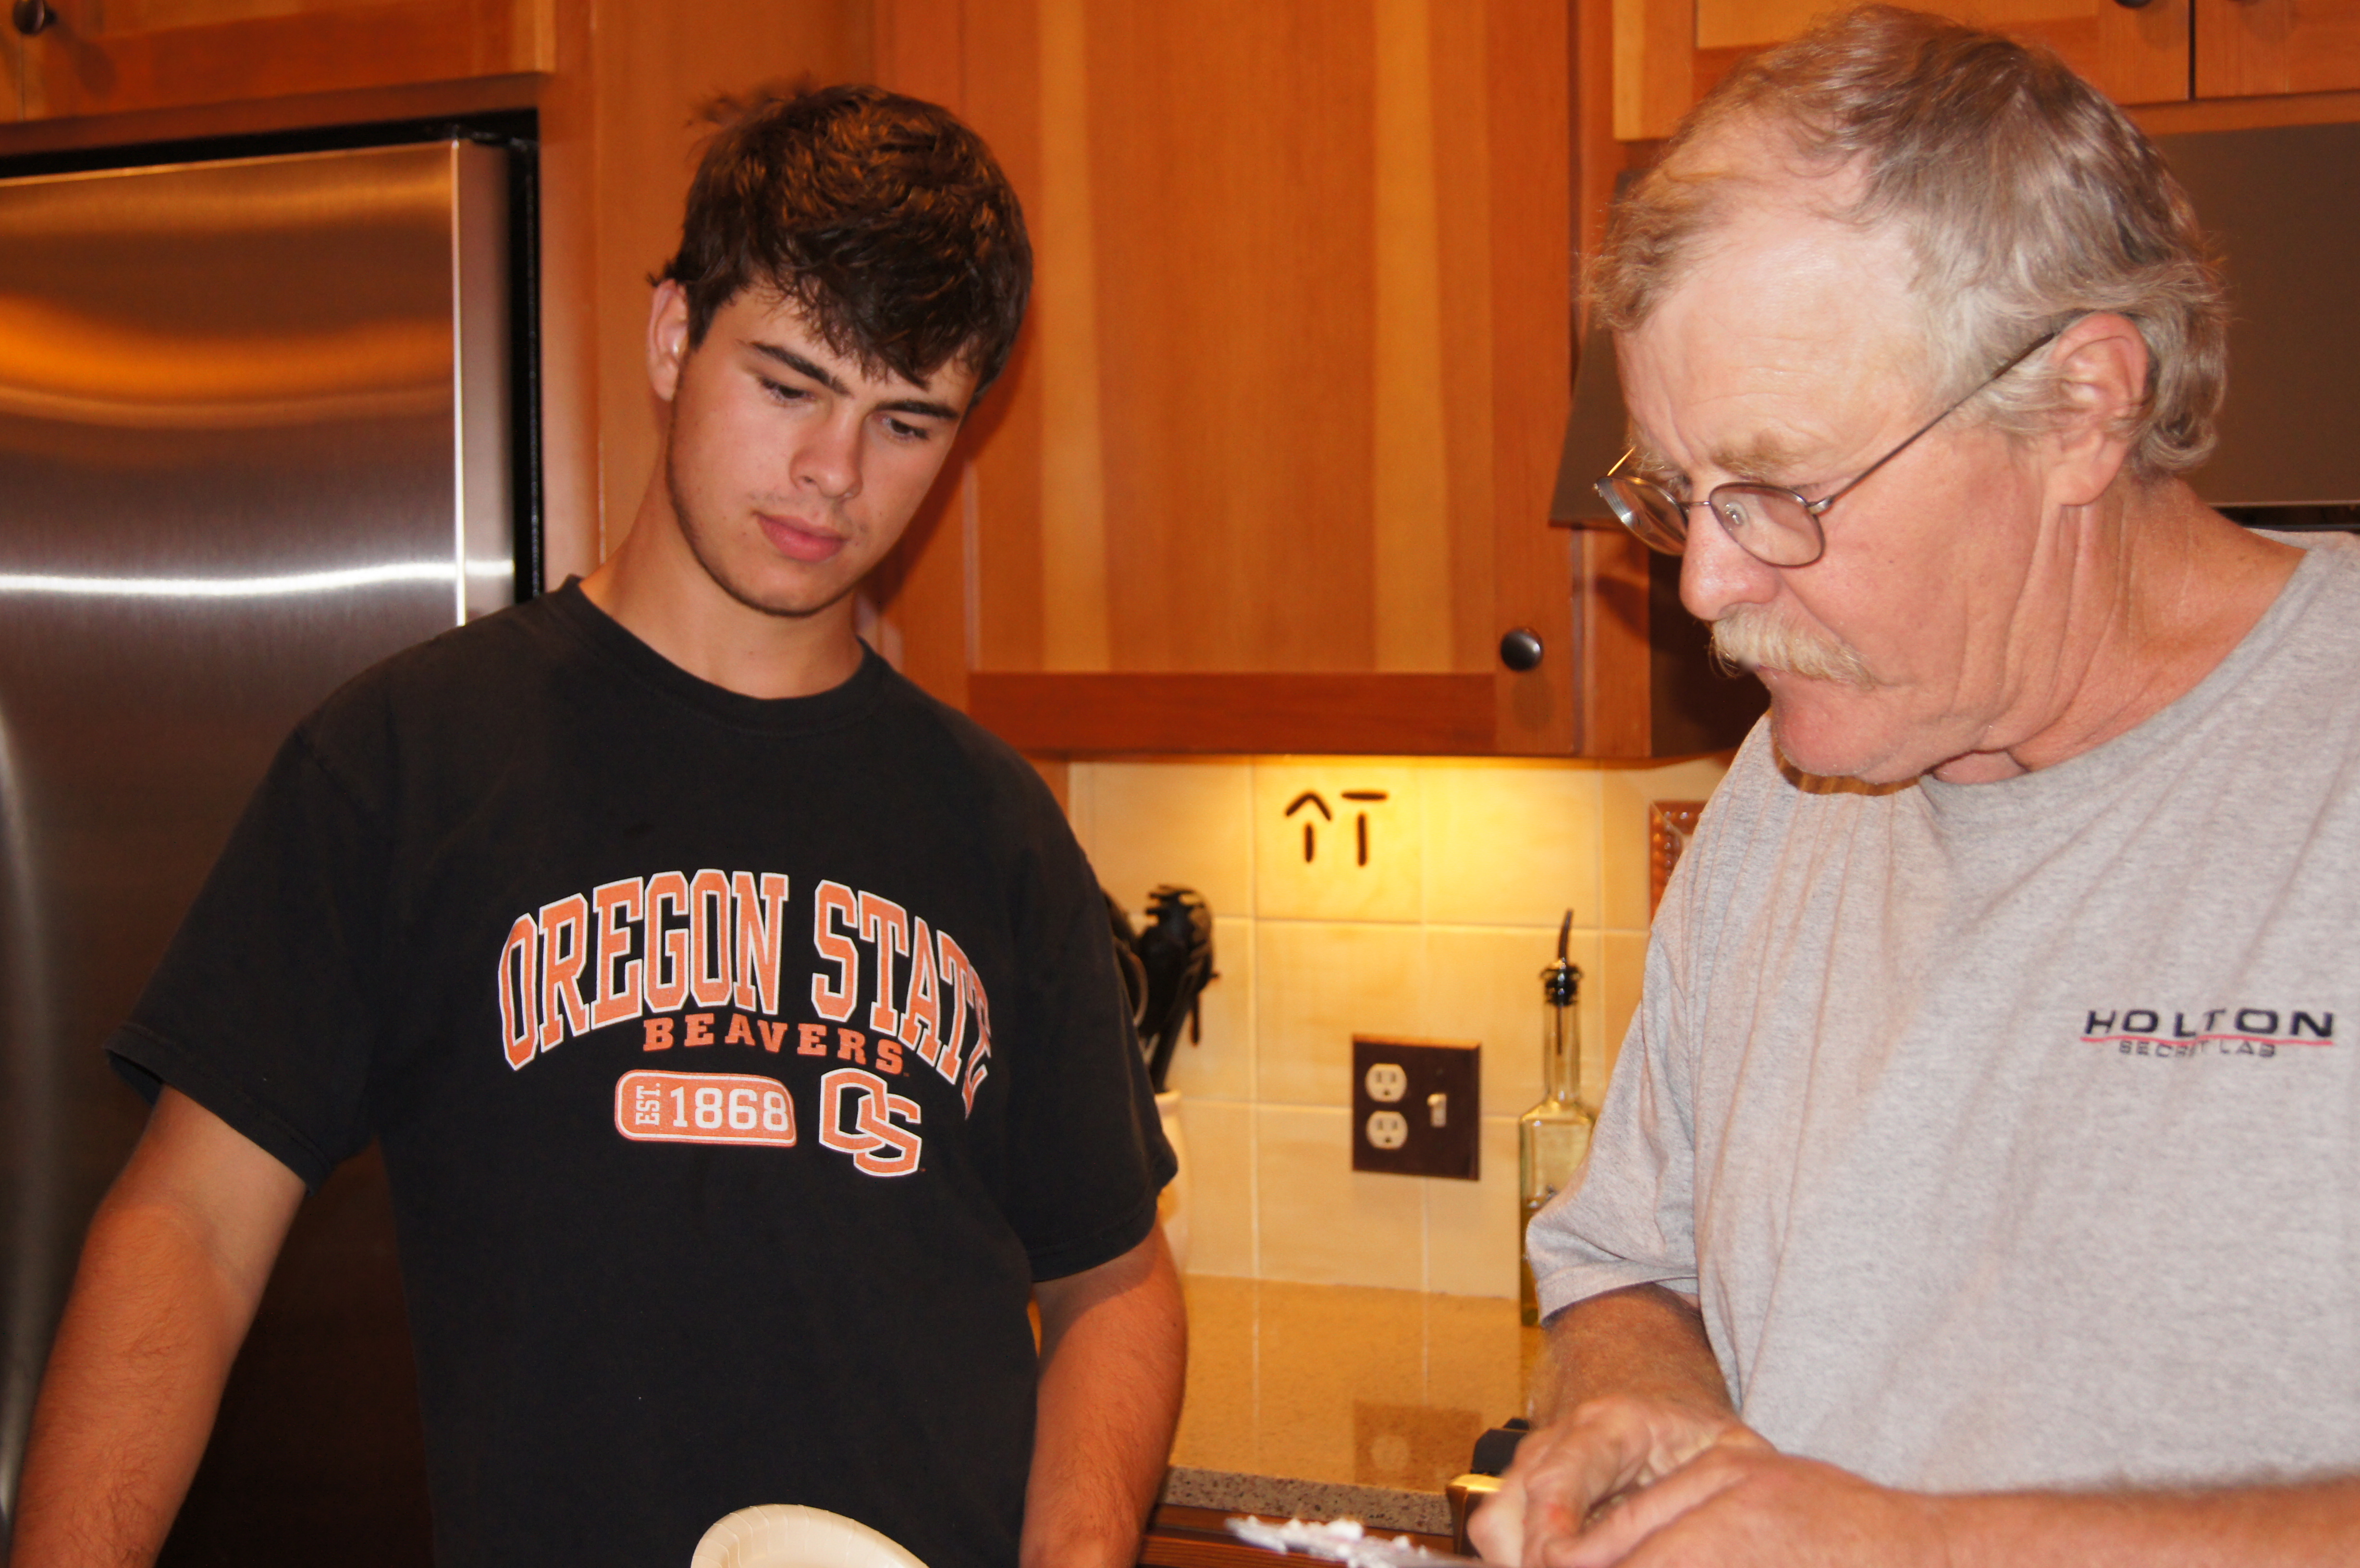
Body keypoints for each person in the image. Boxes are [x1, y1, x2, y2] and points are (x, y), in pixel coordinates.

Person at [13, 85, 1183, 1568]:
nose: (835, 473)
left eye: (906, 422)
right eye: (790, 385)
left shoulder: (995, 823)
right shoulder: (407, 763)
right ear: (674, 337)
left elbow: (1114, 1280)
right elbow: (187, 1228)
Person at [1472, 9, 2360, 1565]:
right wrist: (1641, 1396)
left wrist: (1924, 1545)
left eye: (1779, 490)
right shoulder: (1786, 791)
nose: (1708, 587)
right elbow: (1628, 1260)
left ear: (2082, 408)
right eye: (1678, 493)